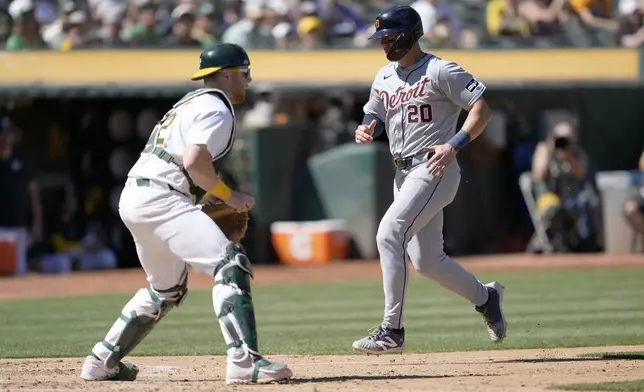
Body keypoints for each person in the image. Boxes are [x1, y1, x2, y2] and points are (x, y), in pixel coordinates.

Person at [79, 43, 293, 385]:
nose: (249, 80)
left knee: (165, 289)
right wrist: (229, 195)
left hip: (137, 196)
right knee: (229, 263)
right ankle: (243, 361)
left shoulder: (189, 103)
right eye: (244, 72)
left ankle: (103, 360)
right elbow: (195, 162)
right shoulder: (216, 107)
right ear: (226, 74)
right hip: (165, 198)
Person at [352, 5, 507, 354]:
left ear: (409, 35)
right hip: (402, 172)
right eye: (381, 38)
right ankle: (487, 296)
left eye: (389, 37)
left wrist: (455, 145)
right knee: (427, 261)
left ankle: (392, 330)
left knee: (389, 233)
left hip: (434, 166)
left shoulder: (440, 70)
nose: (383, 43)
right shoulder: (384, 76)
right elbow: (373, 110)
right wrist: (367, 125)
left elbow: (481, 109)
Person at [531, 120, 598, 252]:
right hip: (548, 198)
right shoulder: (544, 149)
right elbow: (539, 175)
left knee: (589, 200)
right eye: (559, 138)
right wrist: (550, 152)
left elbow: (580, 174)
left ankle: (585, 241)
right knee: (552, 209)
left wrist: (568, 156)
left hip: (571, 199)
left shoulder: (577, 153)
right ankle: (556, 240)